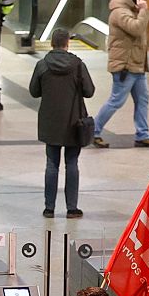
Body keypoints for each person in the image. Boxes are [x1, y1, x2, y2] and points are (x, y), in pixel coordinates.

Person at [30, 28, 94, 220]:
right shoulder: (77, 65)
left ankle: (49, 208)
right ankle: (72, 208)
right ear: (67, 43)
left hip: (51, 122)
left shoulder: (42, 65)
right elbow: (89, 91)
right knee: (72, 163)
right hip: (73, 121)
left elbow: (34, 91)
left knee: (51, 164)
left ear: (52, 44)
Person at [92, 0, 149, 148]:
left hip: (136, 66)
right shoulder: (120, 12)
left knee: (143, 99)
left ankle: (142, 134)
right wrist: (144, 11)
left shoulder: (132, 10)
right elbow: (136, 29)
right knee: (116, 101)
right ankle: (93, 131)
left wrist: (140, 10)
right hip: (125, 66)